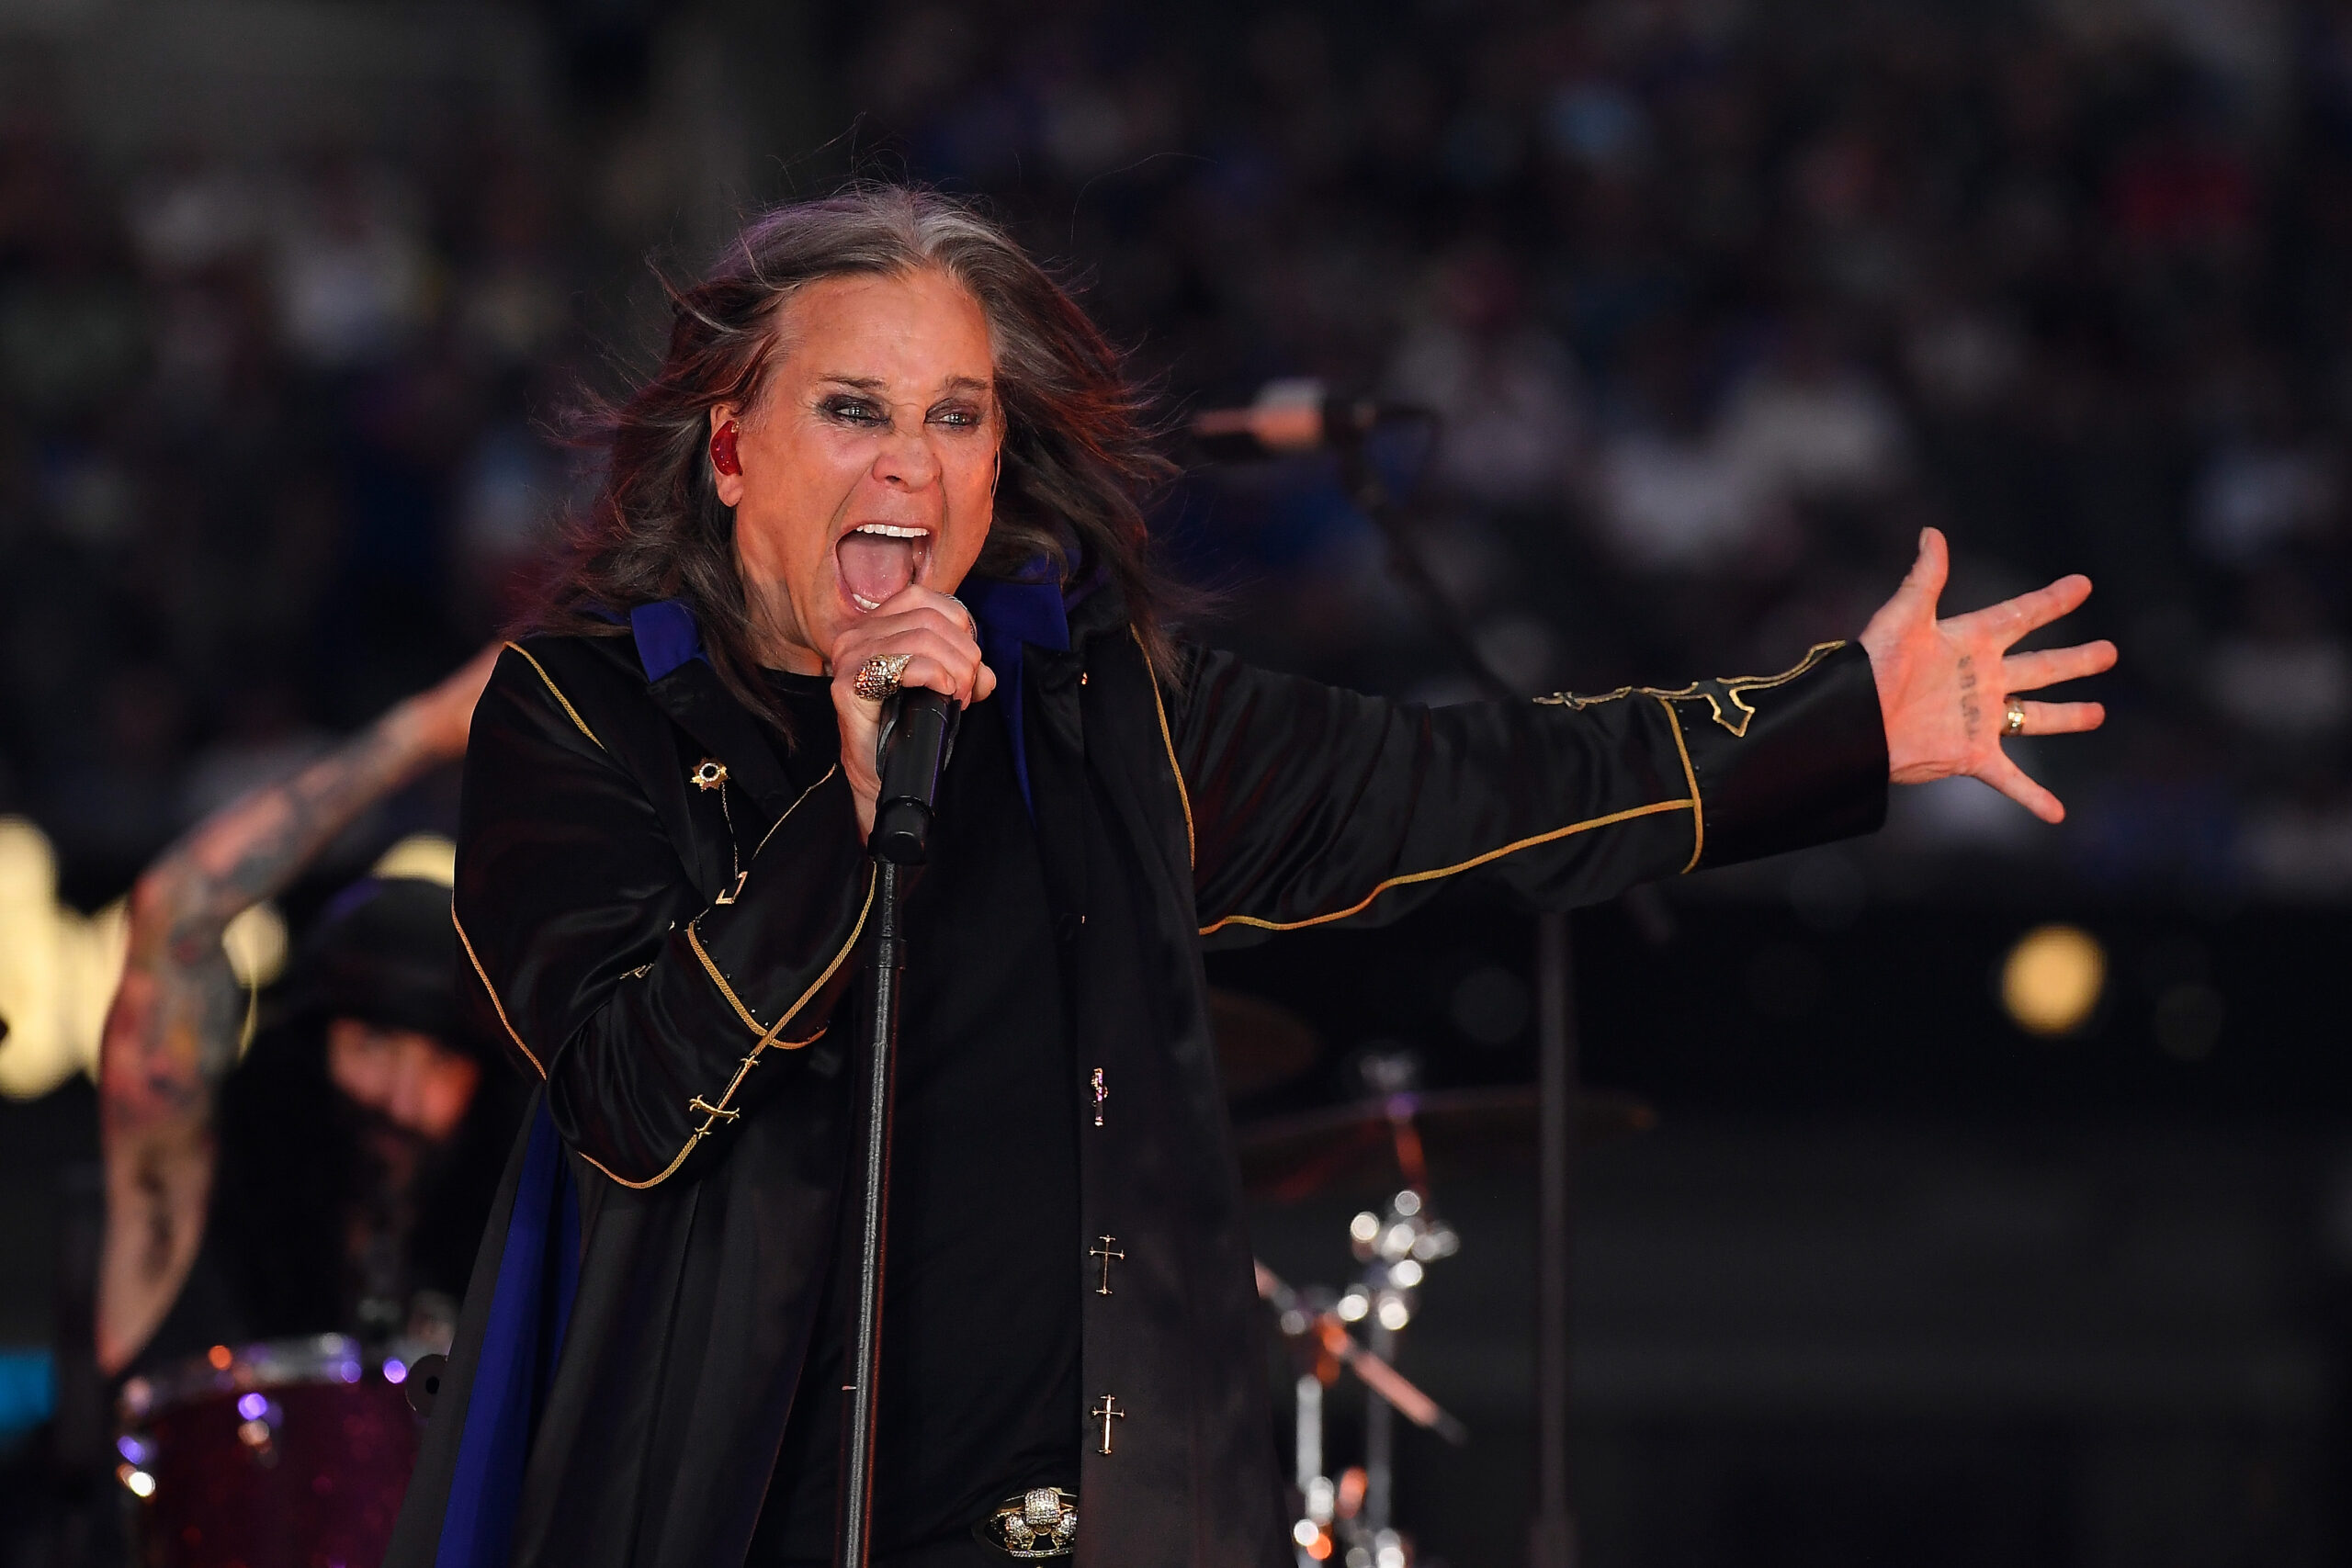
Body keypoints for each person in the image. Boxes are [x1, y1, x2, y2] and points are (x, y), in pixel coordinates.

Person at [388, 187, 2114, 1568]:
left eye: (956, 417)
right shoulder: (580, 711)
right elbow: (628, 1094)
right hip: (720, 1513)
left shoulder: (1092, 712)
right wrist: (846, 811)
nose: (910, 463)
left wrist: (1838, 725)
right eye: (854, 410)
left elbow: (1473, 784)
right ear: (730, 447)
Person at [96, 649, 510, 1377]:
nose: (400, 1096)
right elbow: (177, 914)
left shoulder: (508, 1271)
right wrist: (426, 730)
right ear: (311, 1045)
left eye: (441, 1062)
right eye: (374, 1042)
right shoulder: (189, 1209)